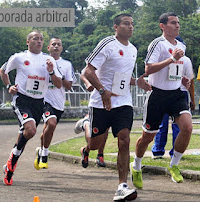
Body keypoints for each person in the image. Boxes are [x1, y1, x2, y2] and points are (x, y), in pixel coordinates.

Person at [82, 13, 151, 201]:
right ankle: (86, 134)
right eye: (126, 24)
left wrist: (137, 82)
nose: (130, 27)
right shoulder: (107, 44)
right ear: (116, 27)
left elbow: (121, 78)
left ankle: (122, 186)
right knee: (95, 145)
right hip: (100, 102)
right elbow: (89, 70)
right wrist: (103, 91)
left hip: (123, 102)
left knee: (124, 139)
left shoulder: (134, 50)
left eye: (132, 24)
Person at [130, 12, 193, 189]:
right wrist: (172, 58)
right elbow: (149, 69)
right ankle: (136, 165)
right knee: (147, 137)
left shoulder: (180, 45)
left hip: (176, 95)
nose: (177, 25)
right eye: (173, 23)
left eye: (178, 23)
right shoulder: (158, 44)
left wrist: (183, 80)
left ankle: (174, 165)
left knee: (187, 127)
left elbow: (174, 69)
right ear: (162, 26)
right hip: (157, 94)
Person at [0, 31, 62, 185]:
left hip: (38, 102)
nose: (39, 42)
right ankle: (11, 165)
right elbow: (3, 70)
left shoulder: (48, 60)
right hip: (22, 100)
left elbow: (59, 83)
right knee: (31, 130)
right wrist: (9, 86)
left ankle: (11, 161)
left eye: (41, 39)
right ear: (28, 42)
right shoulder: (19, 57)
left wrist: (51, 71)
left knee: (25, 134)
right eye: (35, 39)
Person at [35, 37, 77, 170]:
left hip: (59, 102)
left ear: (62, 48)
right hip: (44, 100)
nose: (56, 46)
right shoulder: (42, 61)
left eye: (59, 44)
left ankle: (41, 151)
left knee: (48, 129)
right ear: (48, 48)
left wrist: (59, 76)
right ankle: (45, 156)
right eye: (53, 44)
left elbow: (69, 85)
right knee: (51, 124)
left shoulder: (66, 64)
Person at [151, 55, 195, 158]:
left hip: (166, 91)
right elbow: (191, 81)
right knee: (178, 125)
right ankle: (175, 151)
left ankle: (158, 150)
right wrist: (192, 99)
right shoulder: (186, 59)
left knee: (162, 123)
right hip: (180, 92)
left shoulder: (164, 58)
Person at [74, 70, 108, 167]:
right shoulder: (99, 59)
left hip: (111, 101)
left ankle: (100, 155)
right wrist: (88, 83)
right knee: (93, 140)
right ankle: (85, 123)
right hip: (97, 102)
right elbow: (84, 73)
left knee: (105, 129)